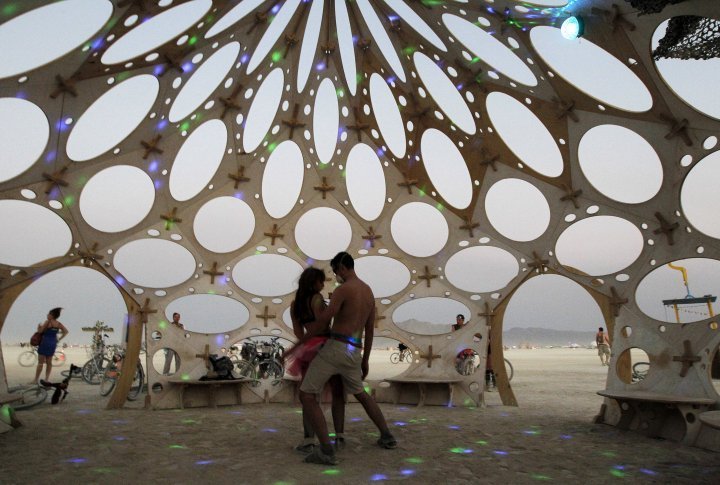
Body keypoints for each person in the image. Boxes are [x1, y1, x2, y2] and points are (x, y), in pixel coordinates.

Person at [299, 252, 396, 466]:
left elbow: (326, 317)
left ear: (343, 267)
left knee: (306, 394)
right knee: (361, 393)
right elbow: (369, 330)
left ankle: (325, 450)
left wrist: (304, 339)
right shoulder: (369, 292)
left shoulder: (343, 290)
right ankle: (386, 435)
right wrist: (365, 359)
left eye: (336, 271)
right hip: (355, 350)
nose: (336, 276)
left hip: (336, 347)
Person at [287, 267, 345, 454]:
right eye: (321, 281)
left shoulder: (295, 305)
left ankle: (308, 438)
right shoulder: (318, 299)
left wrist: (305, 342)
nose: (322, 285)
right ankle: (339, 435)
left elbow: (298, 332)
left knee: (308, 396)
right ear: (314, 282)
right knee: (338, 391)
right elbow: (324, 323)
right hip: (326, 346)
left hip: (308, 349)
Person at [32, 307, 68, 384]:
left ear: (52, 315)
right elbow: (66, 331)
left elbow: (40, 331)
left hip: (44, 342)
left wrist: (39, 327)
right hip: (53, 343)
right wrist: (59, 339)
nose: (47, 315)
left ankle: (35, 380)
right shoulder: (58, 324)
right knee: (49, 362)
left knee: (40, 362)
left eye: (49, 314)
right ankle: (46, 379)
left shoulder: (47, 322)